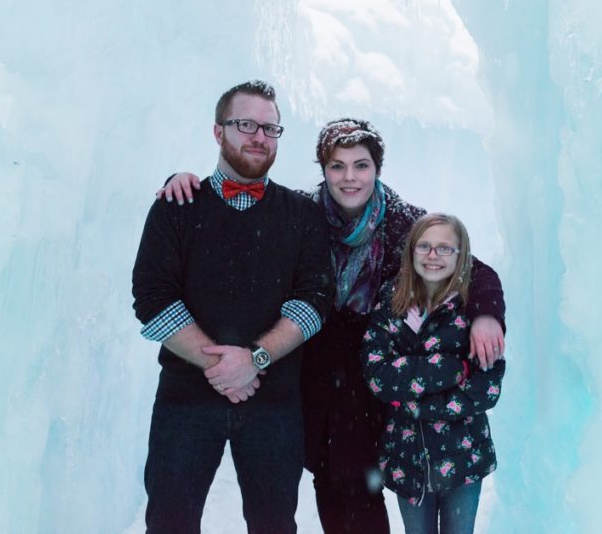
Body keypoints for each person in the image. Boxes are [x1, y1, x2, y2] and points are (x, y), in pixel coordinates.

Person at [158, 118, 506, 534]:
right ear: (323, 170)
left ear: (377, 169)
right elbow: (236, 218)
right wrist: (185, 186)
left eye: (361, 165)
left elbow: (469, 265)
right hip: (307, 367)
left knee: (356, 479)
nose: (349, 177)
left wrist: (486, 315)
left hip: (367, 375)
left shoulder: (402, 223)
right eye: (337, 166)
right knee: (324, 477)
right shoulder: (299, 212)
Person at [132, 80, 333, 534]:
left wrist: (255, 360)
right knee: (170, 522)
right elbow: (152, 296)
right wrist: (221, 366)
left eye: (270, 128)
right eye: (246, 124)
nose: (259, 136)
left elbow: (316, 298)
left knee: (274, 524)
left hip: (275, 402)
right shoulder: (176, 207)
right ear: (218, 132)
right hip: (185, 399)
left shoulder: (302, 216)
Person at [361, 213, 505, 534]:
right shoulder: (390, 300)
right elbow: (377, 373)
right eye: (424, 246)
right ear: (411, 252)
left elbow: (485, 388)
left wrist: (412, 403)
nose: (432, 255)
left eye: (444, 248)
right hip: (406, 458)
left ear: (461, 255)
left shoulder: (474, 307)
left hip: (463, 457)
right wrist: (450, 369)